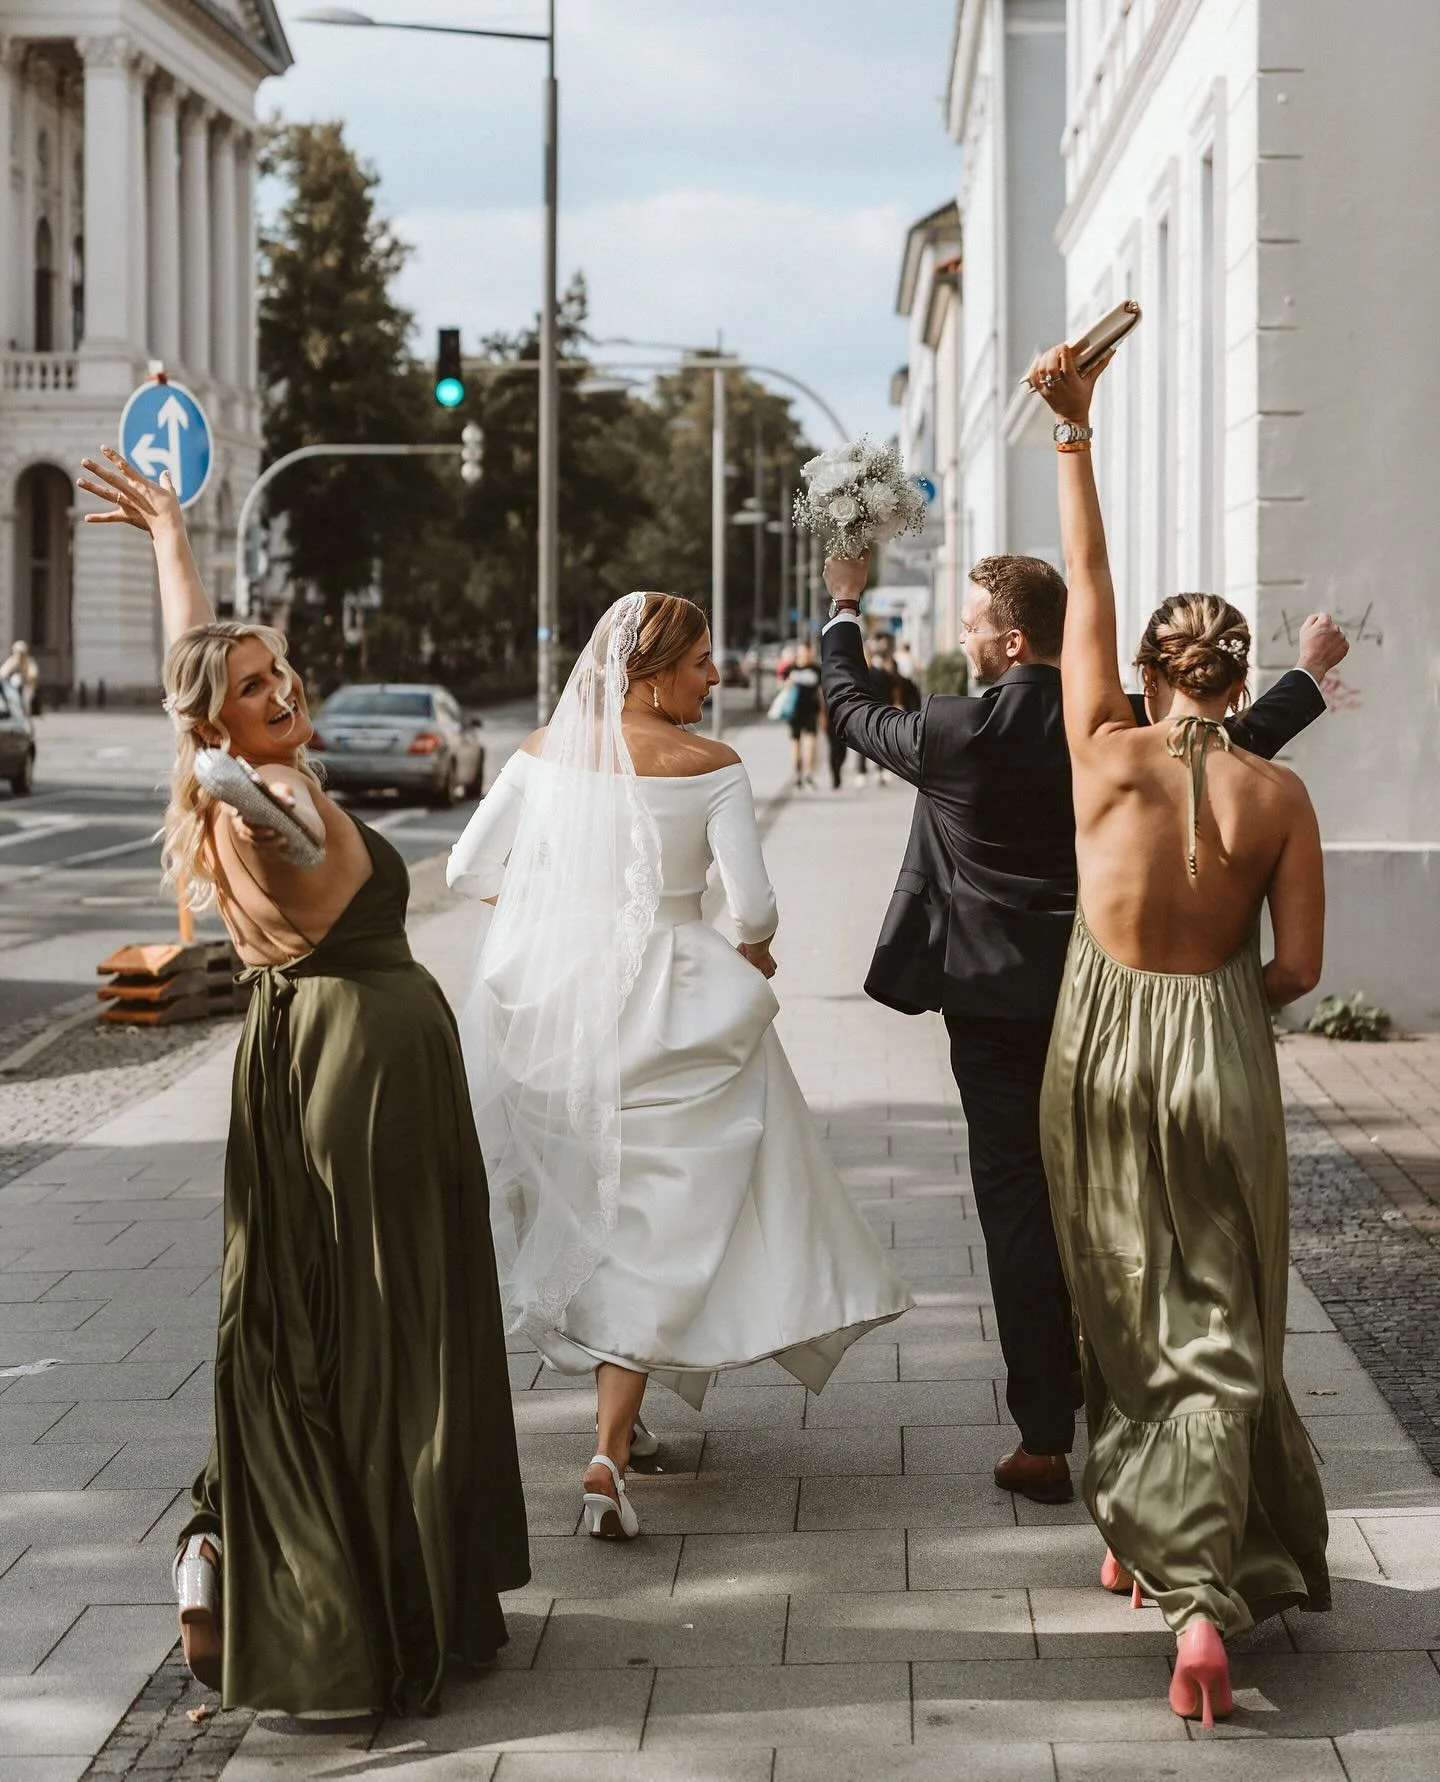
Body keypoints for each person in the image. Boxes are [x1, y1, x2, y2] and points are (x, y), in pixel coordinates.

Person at [75, 449, 529, 1713]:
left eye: (281, 673)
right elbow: (264, 795)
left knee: (294, 1316)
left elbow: (199, 680)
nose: (282, 692)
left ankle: (220, 1548)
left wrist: (176, 545)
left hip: (289, 1061)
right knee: (389, 1333)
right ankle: (363, 1607)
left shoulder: (217, 769)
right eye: (255, 686)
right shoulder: (261, 789)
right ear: (217, 725)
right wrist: (259, 787)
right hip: (367, 1069)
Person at [821, 550, 1346, 1508]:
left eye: (974, 619)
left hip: (988, 1010)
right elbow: (1225, 746)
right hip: (1103, 1003)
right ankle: (1131, 1416)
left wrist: (844, 607)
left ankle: (1040, 1440)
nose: (965, 632)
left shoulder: (953, 729)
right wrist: (1303, 680)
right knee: (1120, 1210)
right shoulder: (1121, 731)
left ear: (1010, 639)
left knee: (1018, 1208)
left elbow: (849, 709)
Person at [447, 593, 911, 1539]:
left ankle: (627, 1418)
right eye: (701, 662)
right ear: (651, 674)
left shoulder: (540, 753)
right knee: (658, 1220)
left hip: (560, 1001)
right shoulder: (714, 768)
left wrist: (552, 916)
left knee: (597, 1203)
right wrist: (747, 944)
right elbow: (756, 909)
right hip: (674, 1002)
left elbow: (464, 870)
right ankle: (608, 1454)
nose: (712, 676)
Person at [1028, 339, 1330, 1725]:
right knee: (1223, 1313)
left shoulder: (1100, 750)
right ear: (1240, 671)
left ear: (1154, 671)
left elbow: (1080, 586)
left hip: (1095, 1055)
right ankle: (1206, 1593)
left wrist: (1075, 436)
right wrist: (1221, 1004)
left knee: (1121, 1293)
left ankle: (1155, 1547)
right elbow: (1302, 971)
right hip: (1218, 1052)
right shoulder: (1279, 798)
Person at [781, 641, 821, 788]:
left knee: (811, 745)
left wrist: (823, 714)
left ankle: (808, 773)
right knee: (795, 745)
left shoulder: (816, 669)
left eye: (807, 653)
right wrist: (788, 683)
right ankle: (798, 774)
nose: (805, 656)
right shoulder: (790, 668)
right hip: (794, 712)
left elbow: (820, 693)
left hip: (811, 711)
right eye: (802, 653)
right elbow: (781, 686)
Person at [1, 640, 39, 715]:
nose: (19, 655)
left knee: (26, 700)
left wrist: (28, 676)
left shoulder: (29, 662)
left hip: (26, 685)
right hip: (12, 686)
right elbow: (3, 672)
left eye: (21, 652)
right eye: (17, 652)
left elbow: (33, 674)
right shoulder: (12, 661)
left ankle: (26, 715)